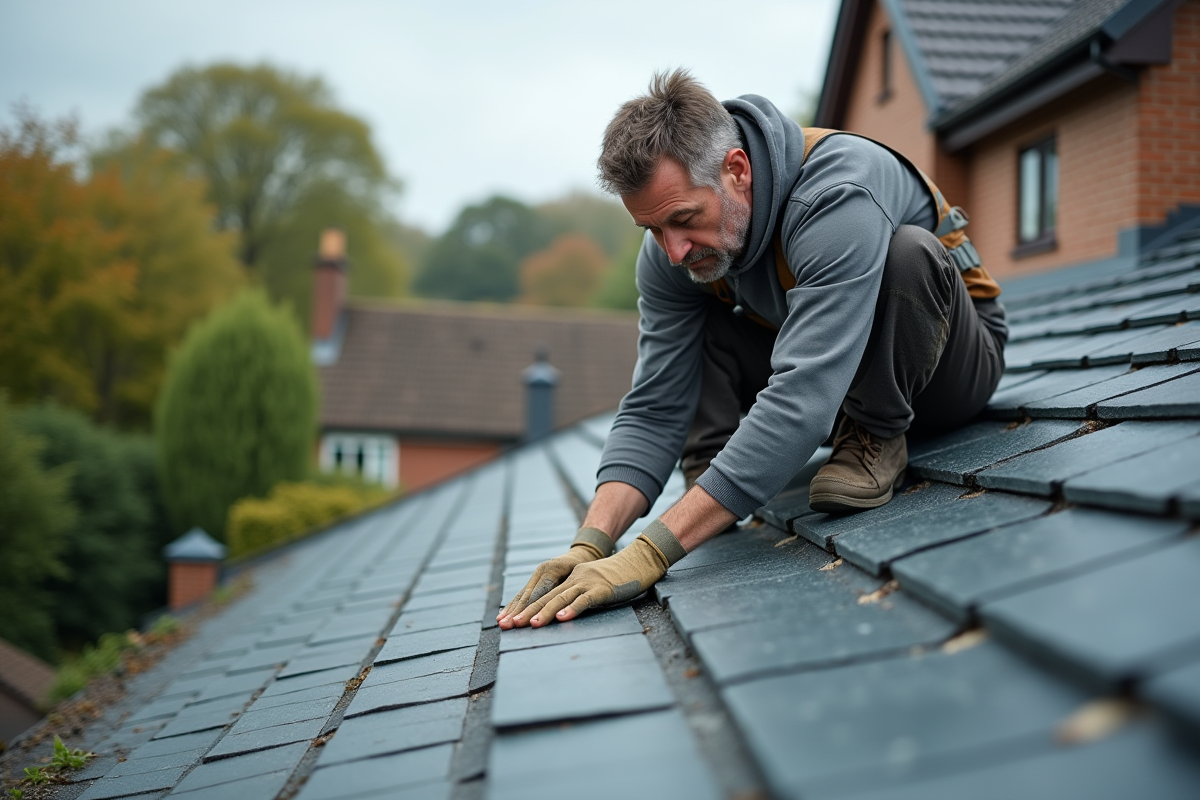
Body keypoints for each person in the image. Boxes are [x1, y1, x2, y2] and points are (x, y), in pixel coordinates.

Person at [497, 69, 1006, 630]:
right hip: (833, 365)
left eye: (684, 220)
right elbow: (656, 403)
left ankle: (877, 433)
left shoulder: (835, 193)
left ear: (736, 170)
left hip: (945, 364)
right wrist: (590, 546)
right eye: (653, 230)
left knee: (908, 254)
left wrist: (649, 554)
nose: (672, 249)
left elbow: (801, 394)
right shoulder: (676, 249)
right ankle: (713, 479)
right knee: (700, 315)